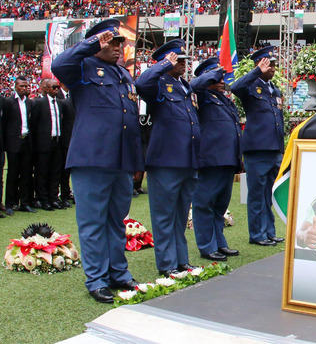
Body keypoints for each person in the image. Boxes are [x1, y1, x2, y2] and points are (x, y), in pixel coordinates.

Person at [51, 18, 143, 303]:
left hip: (121, 159)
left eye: (120, 43)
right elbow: (58, 66)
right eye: (113, 42)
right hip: (91, 157)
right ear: (98, 41)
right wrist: (92, 43)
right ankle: (96, 279)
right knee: (92, 223)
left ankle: (119, 273)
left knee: (116, 221)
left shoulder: (123, 75)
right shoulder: (82, 67)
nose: (118, 48)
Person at [136, 39, 200, 277]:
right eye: (178, 60)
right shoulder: (158, 83)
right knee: (164, 216)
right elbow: (141, 83)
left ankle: (181, 260)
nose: (184, 63)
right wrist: (162, 65)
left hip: (188, 160)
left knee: (180, 216)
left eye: (184, 59)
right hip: (165, 161)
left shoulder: (185, 86)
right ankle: (167, 264)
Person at [231, 46, 285, 247]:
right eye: (269, 64)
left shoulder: (274, 89)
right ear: (259, 65)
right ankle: (257, 234)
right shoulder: (251, 86)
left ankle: (269, 231)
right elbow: (235, 88)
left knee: (269, 195)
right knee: (256, 195)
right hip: (257, 150)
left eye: (274, 65)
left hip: (274, 149)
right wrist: (256, 73)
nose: (273, 68)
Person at [190, 57, 242, 262]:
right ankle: (206, 245)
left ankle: (219, 243)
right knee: (205, 203)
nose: (222, 80)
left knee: (220, 205)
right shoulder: (201, 95)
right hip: (211, 159)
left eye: (222, 76)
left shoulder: (223, 99)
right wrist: (213, 73)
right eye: (217, 76)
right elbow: (194, 85)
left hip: (227, 159)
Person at [29, 78, 68, 211]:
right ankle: (43, 199)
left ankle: (54, 198)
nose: (56, 89)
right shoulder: (39, 103)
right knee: (42, 172)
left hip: (57, 141)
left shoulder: (60, 103)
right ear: (46, 89)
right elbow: (33, 124)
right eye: (53, 87)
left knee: (55, 172)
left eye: (57, 87)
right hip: (44, 143)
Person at [3, 76, 35, 214]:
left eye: (26, 86)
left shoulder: (29, 102)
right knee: (13, 174)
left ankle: (24, 202)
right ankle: (10, 204)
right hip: (13, 142)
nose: (24, 88)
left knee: (26, 173)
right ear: (15, 87)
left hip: (27, 141)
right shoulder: (8, 102)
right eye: (22, 86)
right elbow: (4, 124)